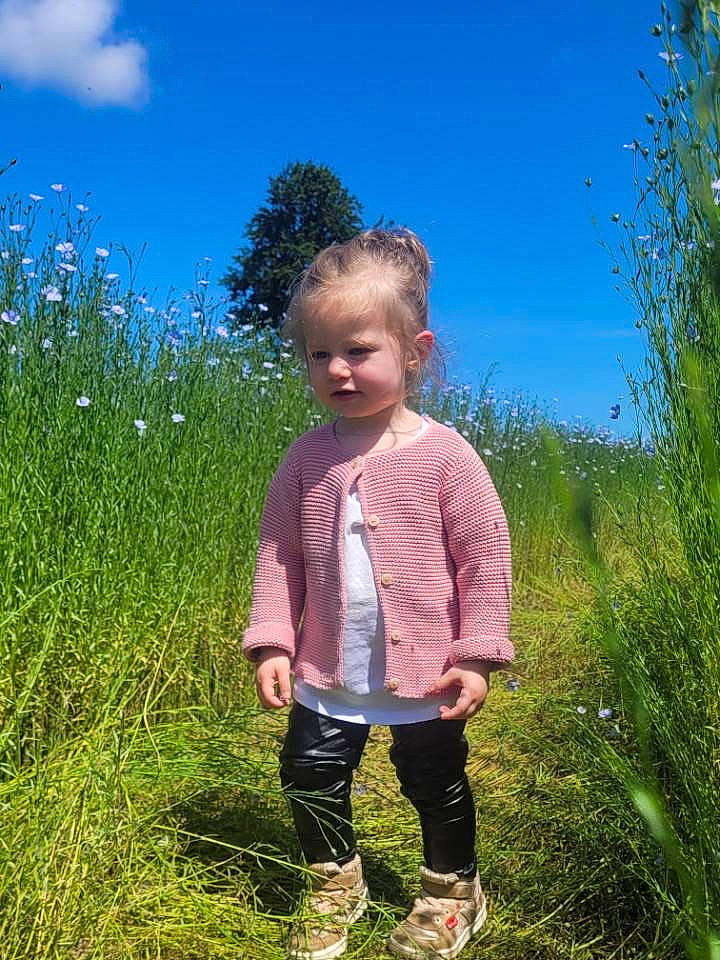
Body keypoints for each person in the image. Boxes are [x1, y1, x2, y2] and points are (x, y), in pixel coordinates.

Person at [243, 227, 513, 960]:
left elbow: (484, 560)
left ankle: (453, 890)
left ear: (414, 352)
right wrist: (272, 637)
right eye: (318, 354)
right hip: (330, 668)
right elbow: (279, 553)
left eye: (358, 350)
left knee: (433, 777)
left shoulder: (447, 457)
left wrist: (479, 655)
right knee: (308, 771)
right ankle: (335, 881)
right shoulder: (305, 460)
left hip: (425, 668)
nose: (338, 368)